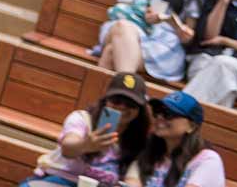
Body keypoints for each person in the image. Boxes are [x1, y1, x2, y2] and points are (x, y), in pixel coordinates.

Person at [16, 73, 152, 187]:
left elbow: (133, 180)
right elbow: (68, 147)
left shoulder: (139, 142)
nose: (122, 107)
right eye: (116, 100)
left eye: (131, 103)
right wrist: (86, 145)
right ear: (106, 101)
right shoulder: (82, 119)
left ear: (139, 110)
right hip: (59, 181)